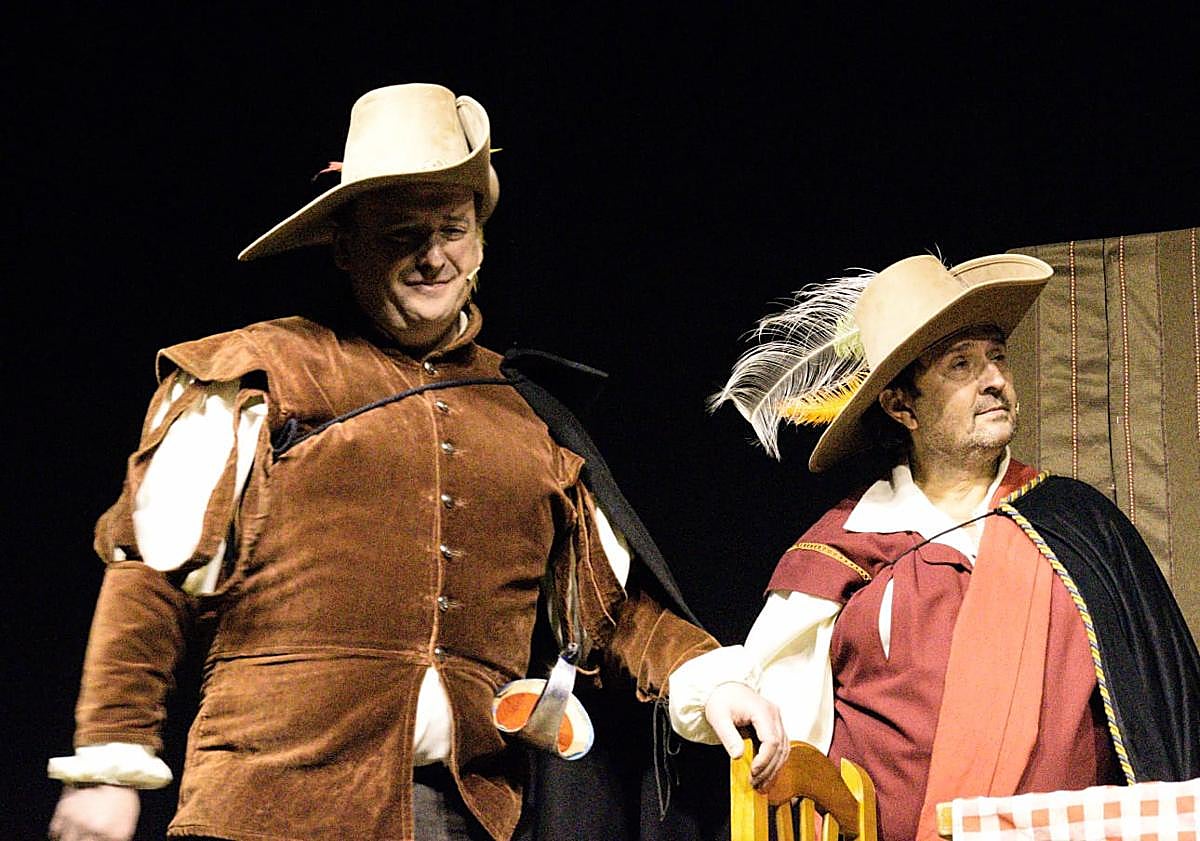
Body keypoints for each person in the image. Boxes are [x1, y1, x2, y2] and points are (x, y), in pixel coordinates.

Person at [47, 83, 787, 841]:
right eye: (403, 234)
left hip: (456, 816)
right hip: (267, 804)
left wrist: (713, 680)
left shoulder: (528, 415)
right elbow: (152, 572)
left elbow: (611, 610)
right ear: (345, 243)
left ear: (482, 240)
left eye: (454, 230)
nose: (434, 256)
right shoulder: (259, 373)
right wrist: (110, 762)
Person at [669, 253, 1200, 840]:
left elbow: (1166, 714)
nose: (994, 379)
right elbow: (767, 701)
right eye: (961, 365)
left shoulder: (1077, 524)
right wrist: (719, 689)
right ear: (902, 406)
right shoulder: (847, 548)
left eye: (997, 358)